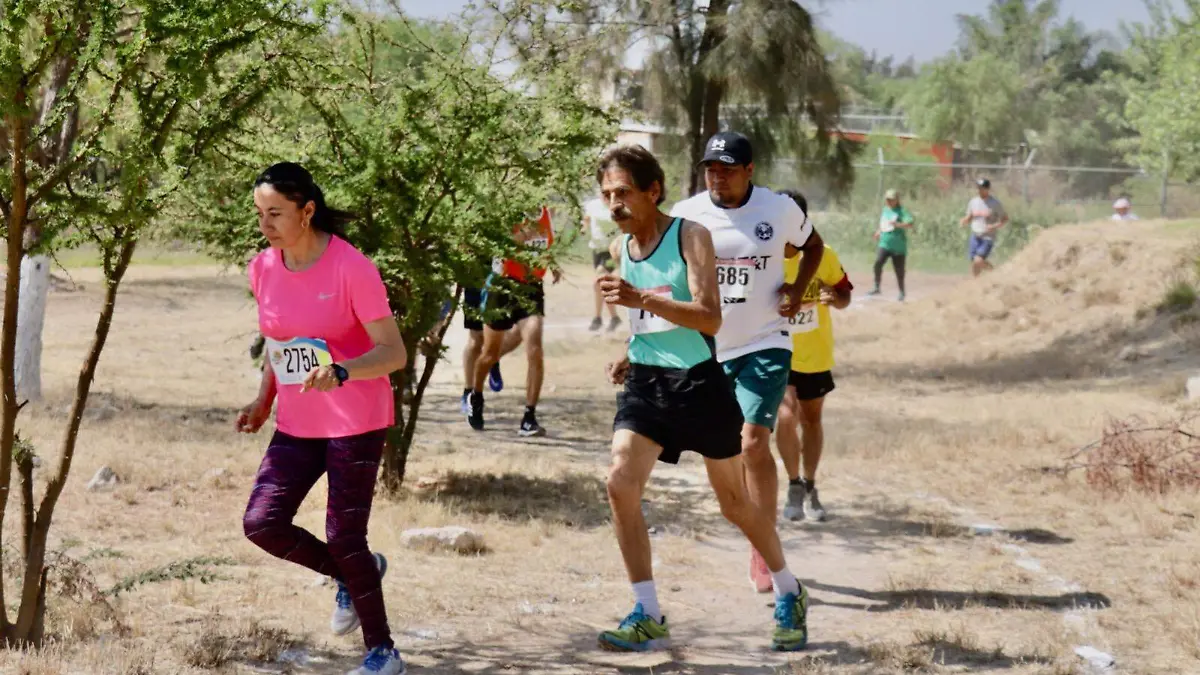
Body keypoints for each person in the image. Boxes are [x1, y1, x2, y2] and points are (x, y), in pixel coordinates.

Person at [594, 143, 809, 653]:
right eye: (606, 195)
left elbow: (709, 317)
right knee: (620, 482)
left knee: (734, 504)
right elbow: (648, 315)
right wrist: (631, 349)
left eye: (623, 192)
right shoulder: (621, 247)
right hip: (647, 384)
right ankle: (647, 611)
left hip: (699, 384)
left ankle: (789, 590)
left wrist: (638, 299)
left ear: (654, 190)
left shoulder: (691, 235)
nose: (614, 204)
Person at [236, 163, 408, 675]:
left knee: (344, 537)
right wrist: (262, 400)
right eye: (259, 214)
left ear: (307, 211)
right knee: (261, 522)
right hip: (297, 421)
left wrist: (344, 370)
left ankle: (383, 653)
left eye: (276, 214)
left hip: (356, 417)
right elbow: (278, 344)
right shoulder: (262, 267)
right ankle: (359, 575)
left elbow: (393, 352)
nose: (265, 225)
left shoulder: (352, 267)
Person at [669, 131, 825, 595]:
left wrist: (797, 291)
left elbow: (813, 246)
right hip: (708, 347)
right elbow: (669, 273)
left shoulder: (778, 209)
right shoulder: (686, 214)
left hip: (764, 340)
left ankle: (763, 544)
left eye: (728, 169)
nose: (718, 177)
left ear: (750, 170)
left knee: (755, 441)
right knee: (726, 449)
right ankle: (755, 524)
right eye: (711, 169)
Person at [775, 190, 853, 523]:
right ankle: (793, 485)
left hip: (815, 353)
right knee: (786, 416)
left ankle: (810, 485)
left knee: (812, 420)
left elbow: (845, 294)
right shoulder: (763, 257)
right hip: (778, 351)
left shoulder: (824, 255)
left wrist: (834, 298)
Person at [466, 206, 561, 437]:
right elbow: (499, 248)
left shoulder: (547, 213)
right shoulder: (510, 208)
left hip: (531, 289)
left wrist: (554, 264)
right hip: (502, 287)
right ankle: (475, 395)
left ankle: (529, 417)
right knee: (489, 354)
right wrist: (524, 233)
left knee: (535, 349)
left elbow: (546, 245)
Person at [459, 285, 523, 414]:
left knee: (518, 331)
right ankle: (468, 392)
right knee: (476, 340)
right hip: (475, 278)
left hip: (502, 280)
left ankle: (491, 358)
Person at [582, 195, 622, 332]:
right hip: (597, 250)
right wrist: (583, 228)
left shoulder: (617, 204)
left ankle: (599, 318)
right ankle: (610, 318)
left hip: (612, 249)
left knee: (599, 281)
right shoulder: (593, 204)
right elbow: (587, 219)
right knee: (601, 285)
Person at [869, 189, 914, 301]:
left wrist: (898, 224)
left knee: (899, 271)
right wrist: (878, 232)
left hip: (898, 247)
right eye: (887, 199)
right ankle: (876, 287)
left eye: (891, 199)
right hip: (885, 243)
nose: (889, 202)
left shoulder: (902, 211)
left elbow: (910, 224)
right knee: (878, 263)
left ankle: (902, 292)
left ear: (897, 200)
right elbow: (883, 224)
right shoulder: (885, 210)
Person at [959, 178, 1007, 278]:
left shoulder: (994, 203)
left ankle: (996, 273)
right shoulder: (973, 202)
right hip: (975, 235)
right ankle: (976, 283)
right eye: (978, 188)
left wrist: (994, 226)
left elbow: (1005, 219)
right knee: (974, 262)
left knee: (978, 260)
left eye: (982, 188)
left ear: (988, 189)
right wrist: (964, 220)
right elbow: (970, 216)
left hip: (987, 237)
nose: (979, 190)